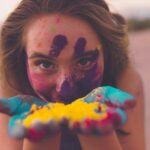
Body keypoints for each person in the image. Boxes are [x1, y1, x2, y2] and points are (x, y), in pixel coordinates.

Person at [0, 0, 145, 149]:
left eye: (84, 62)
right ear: (20, 60)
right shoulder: (11, 87)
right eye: (45, 64)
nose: (65, 90)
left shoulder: (124, 82)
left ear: (107, 55)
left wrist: (98, 135)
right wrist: (41, 140)